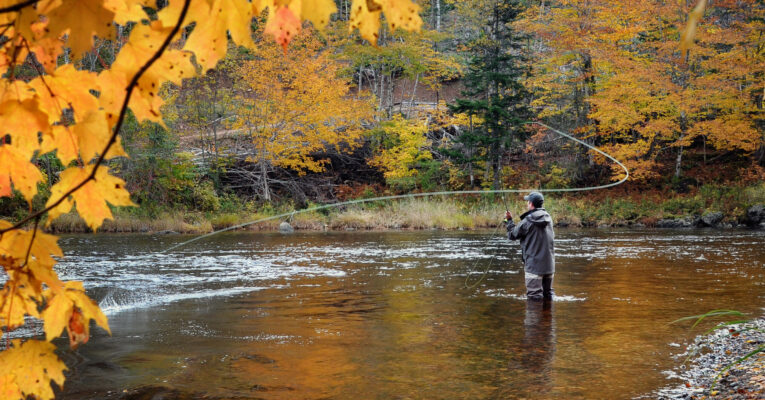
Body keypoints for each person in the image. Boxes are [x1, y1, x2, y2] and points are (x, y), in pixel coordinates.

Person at [504, 192, 555, 300]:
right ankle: (548, 316)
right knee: (548, 296)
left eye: (528, 201)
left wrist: (508, 220)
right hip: (549, 267)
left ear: (531, 204)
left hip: (534, 267)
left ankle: (534, 317)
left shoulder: (527, 220)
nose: (527, 203)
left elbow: (512, 235)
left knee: (533, 298)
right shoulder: (548, 218)